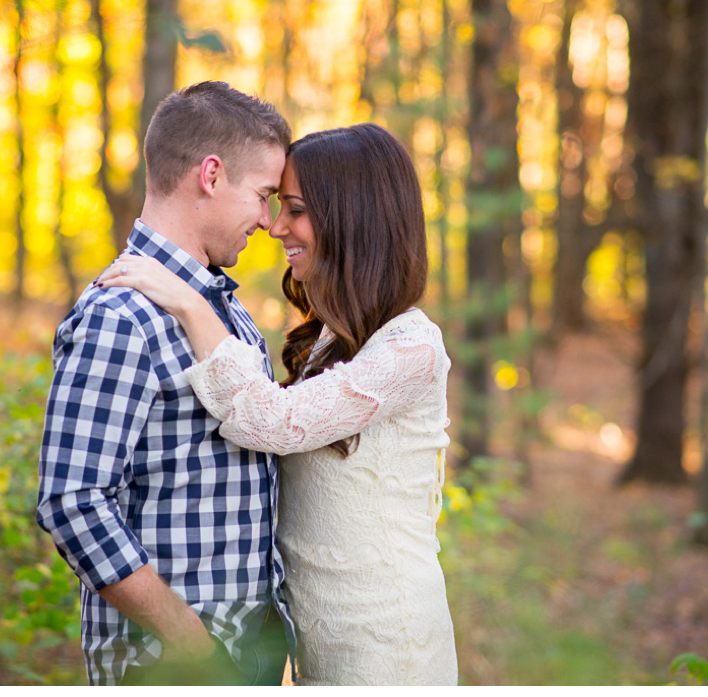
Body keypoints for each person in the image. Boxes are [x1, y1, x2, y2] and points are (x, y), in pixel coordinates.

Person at [96, 122, 459, 685]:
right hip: (321, 642)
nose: (275, 226)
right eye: (274, 205)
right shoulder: (330, 340)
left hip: (386, 642)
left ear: (352, 219)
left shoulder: (410, 347)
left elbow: (278, 422)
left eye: (295, 209)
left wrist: (193, 308)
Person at [35, 81, 296, 686]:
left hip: (248, 651)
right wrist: (195, 649)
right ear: (210, 174)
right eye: (261, 195)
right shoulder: (119, 317)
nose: (267, 220)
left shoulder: (229, 314)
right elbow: (73, 503)